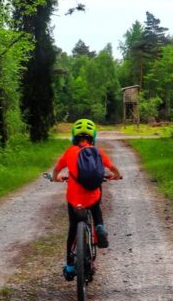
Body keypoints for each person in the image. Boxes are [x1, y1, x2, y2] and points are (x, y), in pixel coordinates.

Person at [51, 118, 122, 281]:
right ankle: (99, 227)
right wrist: (116, 176)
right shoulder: (98, 152)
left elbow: (56, 170)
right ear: (93, 137)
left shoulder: (69, 152)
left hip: (75, 199)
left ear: (73, 136)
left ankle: (69, 266)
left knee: (72, 229)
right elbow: (112, 168)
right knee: (96, 206)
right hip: (92, 195)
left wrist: (56, 178)